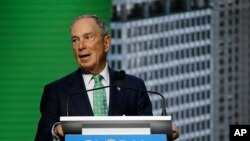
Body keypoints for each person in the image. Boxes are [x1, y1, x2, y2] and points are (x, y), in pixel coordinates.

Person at [35, 14, 179, 141]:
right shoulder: (57, 92)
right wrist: (56, 131)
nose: (81, 46)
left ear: (106, 43)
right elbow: (42, 137)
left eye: (88, 37)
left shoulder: (134, 87)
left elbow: (149, 134)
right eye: (75, 40)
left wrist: (165, 134)